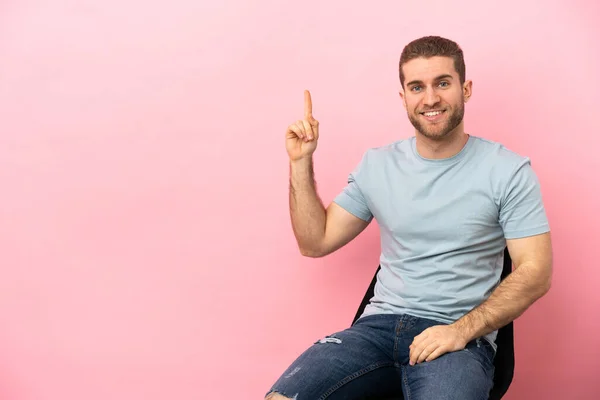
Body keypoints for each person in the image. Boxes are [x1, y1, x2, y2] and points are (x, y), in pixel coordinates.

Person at [266, 36, 553, 400]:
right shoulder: (377, 165)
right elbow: (314, 241)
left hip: (457, 338)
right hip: (377, 330)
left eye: (442, 83)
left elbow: (536, 272)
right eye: (417, 87)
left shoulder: (508, 171)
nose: (430, 98)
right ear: (403, 97)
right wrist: (300, 161)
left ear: (465, 89)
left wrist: (461, 331)